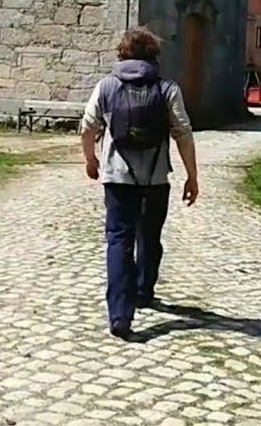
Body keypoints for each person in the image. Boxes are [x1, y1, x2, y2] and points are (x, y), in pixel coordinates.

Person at [80, 26, 199, 340]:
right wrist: (192, 176)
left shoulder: (106, 86)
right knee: (149, 236)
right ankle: (144, 291)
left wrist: (91, 159)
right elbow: (183, 132)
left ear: (122, 54)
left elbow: (87, 127)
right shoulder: (167, 89)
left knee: (119, 241)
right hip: (156, 179)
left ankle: (120, 315)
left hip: (117, 178)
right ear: (153, 56)